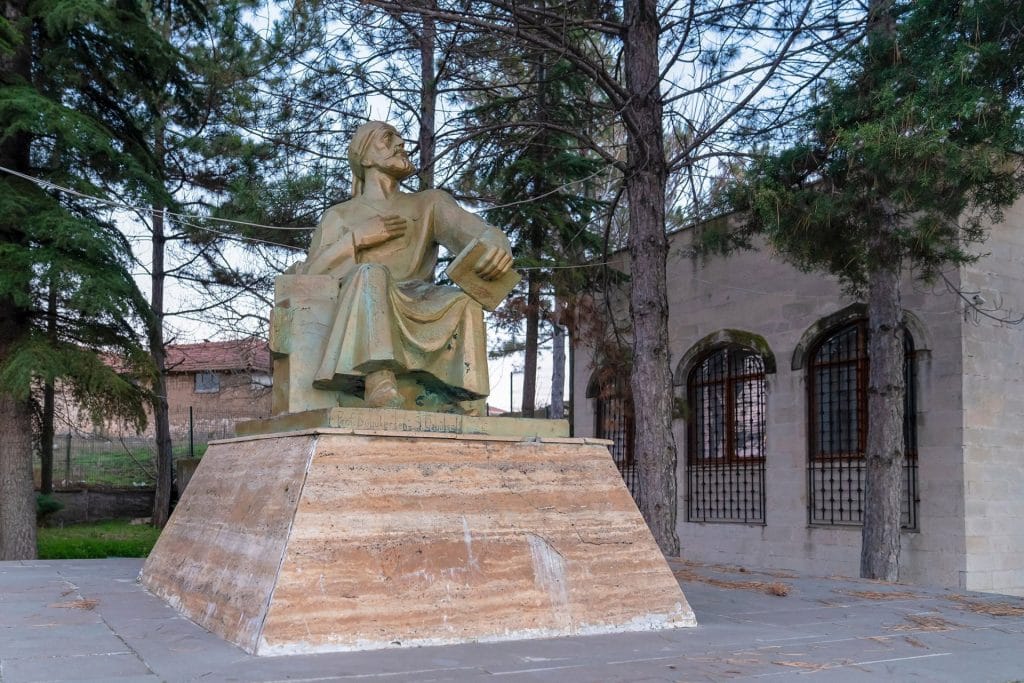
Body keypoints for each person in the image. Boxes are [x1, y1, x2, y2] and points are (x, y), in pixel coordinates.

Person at [294, 121, 514, 410]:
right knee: (371, 273)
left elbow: (473, 230)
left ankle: (457, 395)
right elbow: (310, 277)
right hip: (362, 296)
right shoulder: (339, 216)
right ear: (365, 157)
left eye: (398, 136)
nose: (400, 142)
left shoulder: (429, 204)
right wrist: (357, 239)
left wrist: (496, 241)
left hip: (418, 297)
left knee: (462, 302)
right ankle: (379, 382)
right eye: (387, 138)